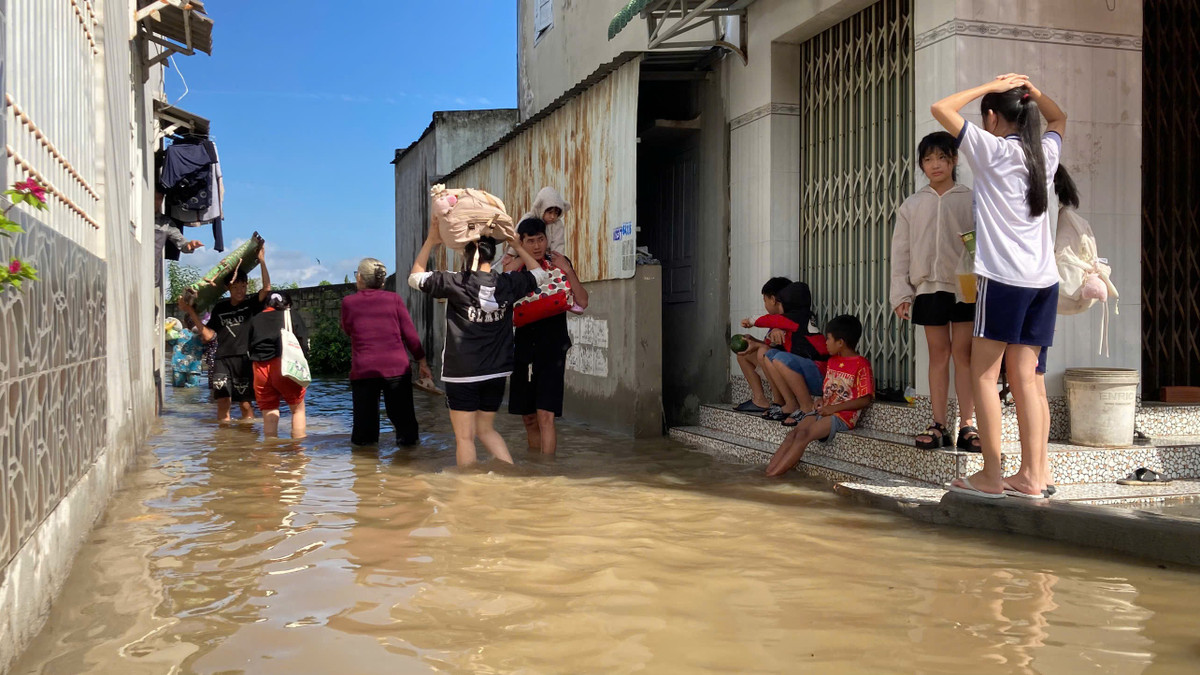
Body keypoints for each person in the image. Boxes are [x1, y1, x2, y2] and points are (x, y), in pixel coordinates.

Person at [932, 73, 1066, 499]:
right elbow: (1059, 118)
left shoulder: (991, 150)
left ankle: (992, 474)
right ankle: (1034, 476)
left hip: (1005, 280)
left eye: (985, 113)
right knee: (1028, 379)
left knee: (985, 375)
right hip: (1044, 282)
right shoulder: (1044, 153)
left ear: (991, 117)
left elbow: (940, 109)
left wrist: (991, 83)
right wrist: (1033, 93)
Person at [409, 224, 548, 467]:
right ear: (492, 254)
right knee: (485, 430)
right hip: (496, 372)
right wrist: (516, 245)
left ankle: (468, 495)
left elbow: (415, 278)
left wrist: (431, 240)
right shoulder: (507, 283)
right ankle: (511, 477)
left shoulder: (455, 283)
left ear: (466, 254)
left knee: (465, 438)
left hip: (462, 374)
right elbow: (540, 274)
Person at [890, 131, 979, 451]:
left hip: (966, 287)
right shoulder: (912, 205)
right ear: (921, 165)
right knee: (939, 356)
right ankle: (939, 423)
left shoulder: (970, 198)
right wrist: (901, 293)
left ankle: (968, 425)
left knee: (964, 355)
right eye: (928, 159)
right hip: (928, 288)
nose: (935, 164)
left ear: (954, 160)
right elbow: (900, 252)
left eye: (942, 157)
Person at [503, 217, 589, 455]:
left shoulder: (559, 263)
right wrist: (518, 257)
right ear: (522, 242)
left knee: (546, 415)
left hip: (553, 349)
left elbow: (582, 301)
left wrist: (568, 270)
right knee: (529, 418)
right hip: (523, 349)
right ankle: (535, 470)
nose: (537, 246)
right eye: (530, 241)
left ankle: (547, 470)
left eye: (541, 239)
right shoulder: (515, 267)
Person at [765, 315, 874, 476]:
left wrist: (833, 408)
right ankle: (768, 472)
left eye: (828, 339)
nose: (825, 343)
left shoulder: (861, 364)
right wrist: (821, 401)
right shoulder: (832, 361)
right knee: (793, 434)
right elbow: (828, 391)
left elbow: (866, 399)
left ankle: (772, 478)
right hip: (825, 410)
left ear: (840, 342)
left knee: (804, 435)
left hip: (842, 416)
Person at [341, 257, 432, 447]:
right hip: (396, 369)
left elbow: (348, 329)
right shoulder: (394, 299)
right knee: (405, 424)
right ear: (382, 281)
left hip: (364, 370)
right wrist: (422, 362)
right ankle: (409, 464)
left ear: (360, 278)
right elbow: (410, 334)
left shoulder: (349, 302)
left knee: (364, 431)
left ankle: (365, 472)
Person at [179, 245, 272, 422]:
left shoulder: (251, 305)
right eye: (236, 287)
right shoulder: (220, 307)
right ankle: (223, 441)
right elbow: (208, 335)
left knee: (245, 404)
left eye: (243, 286)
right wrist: (190, 311)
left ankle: (247, 440)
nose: (240, 290)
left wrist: (262, 260)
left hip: (243, 360)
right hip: (221, 360)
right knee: (223, 401)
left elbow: (266, 288)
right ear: (228, 288)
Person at [760, 281, 830, 426]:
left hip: (821, 377)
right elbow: (768, 343)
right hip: (809, 374)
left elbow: (768, 320)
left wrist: (751, 321)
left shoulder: (798, 317)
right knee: (769, 355)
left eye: (781, 303)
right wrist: (774, 332)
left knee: (780, 358)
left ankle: (806, 406)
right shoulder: (795, 317)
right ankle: (791, 403)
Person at [246, 292, 308, 439]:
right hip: (284, 365)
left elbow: (248, 346)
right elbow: (304, 344)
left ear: (266, 304)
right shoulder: (291, 315)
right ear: (288, 305)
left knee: (269, 411)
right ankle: (298, 456)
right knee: (297, 409)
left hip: (260, 369)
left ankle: (270, 456)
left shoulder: (255, 319)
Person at [733, 277, 796, 413]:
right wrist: (754, 341)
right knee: (743, 354)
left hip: (790, 372)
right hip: (775, 365)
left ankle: (779, 401)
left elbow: (774, 351)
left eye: (765, 300)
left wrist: (759, 343)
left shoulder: (791, 318)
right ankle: (759, 399)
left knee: (763, 352)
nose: (765, 304)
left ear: (773, 299)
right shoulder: (774, 322)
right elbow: (771, 347)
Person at [166, 316, 205, 387]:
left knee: (178, 390)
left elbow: (171, 342)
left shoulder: (178, 334)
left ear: (184, 322)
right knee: (193, 391)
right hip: (194, 368)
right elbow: (206, 349)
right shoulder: (201, 335)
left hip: (178, 366)